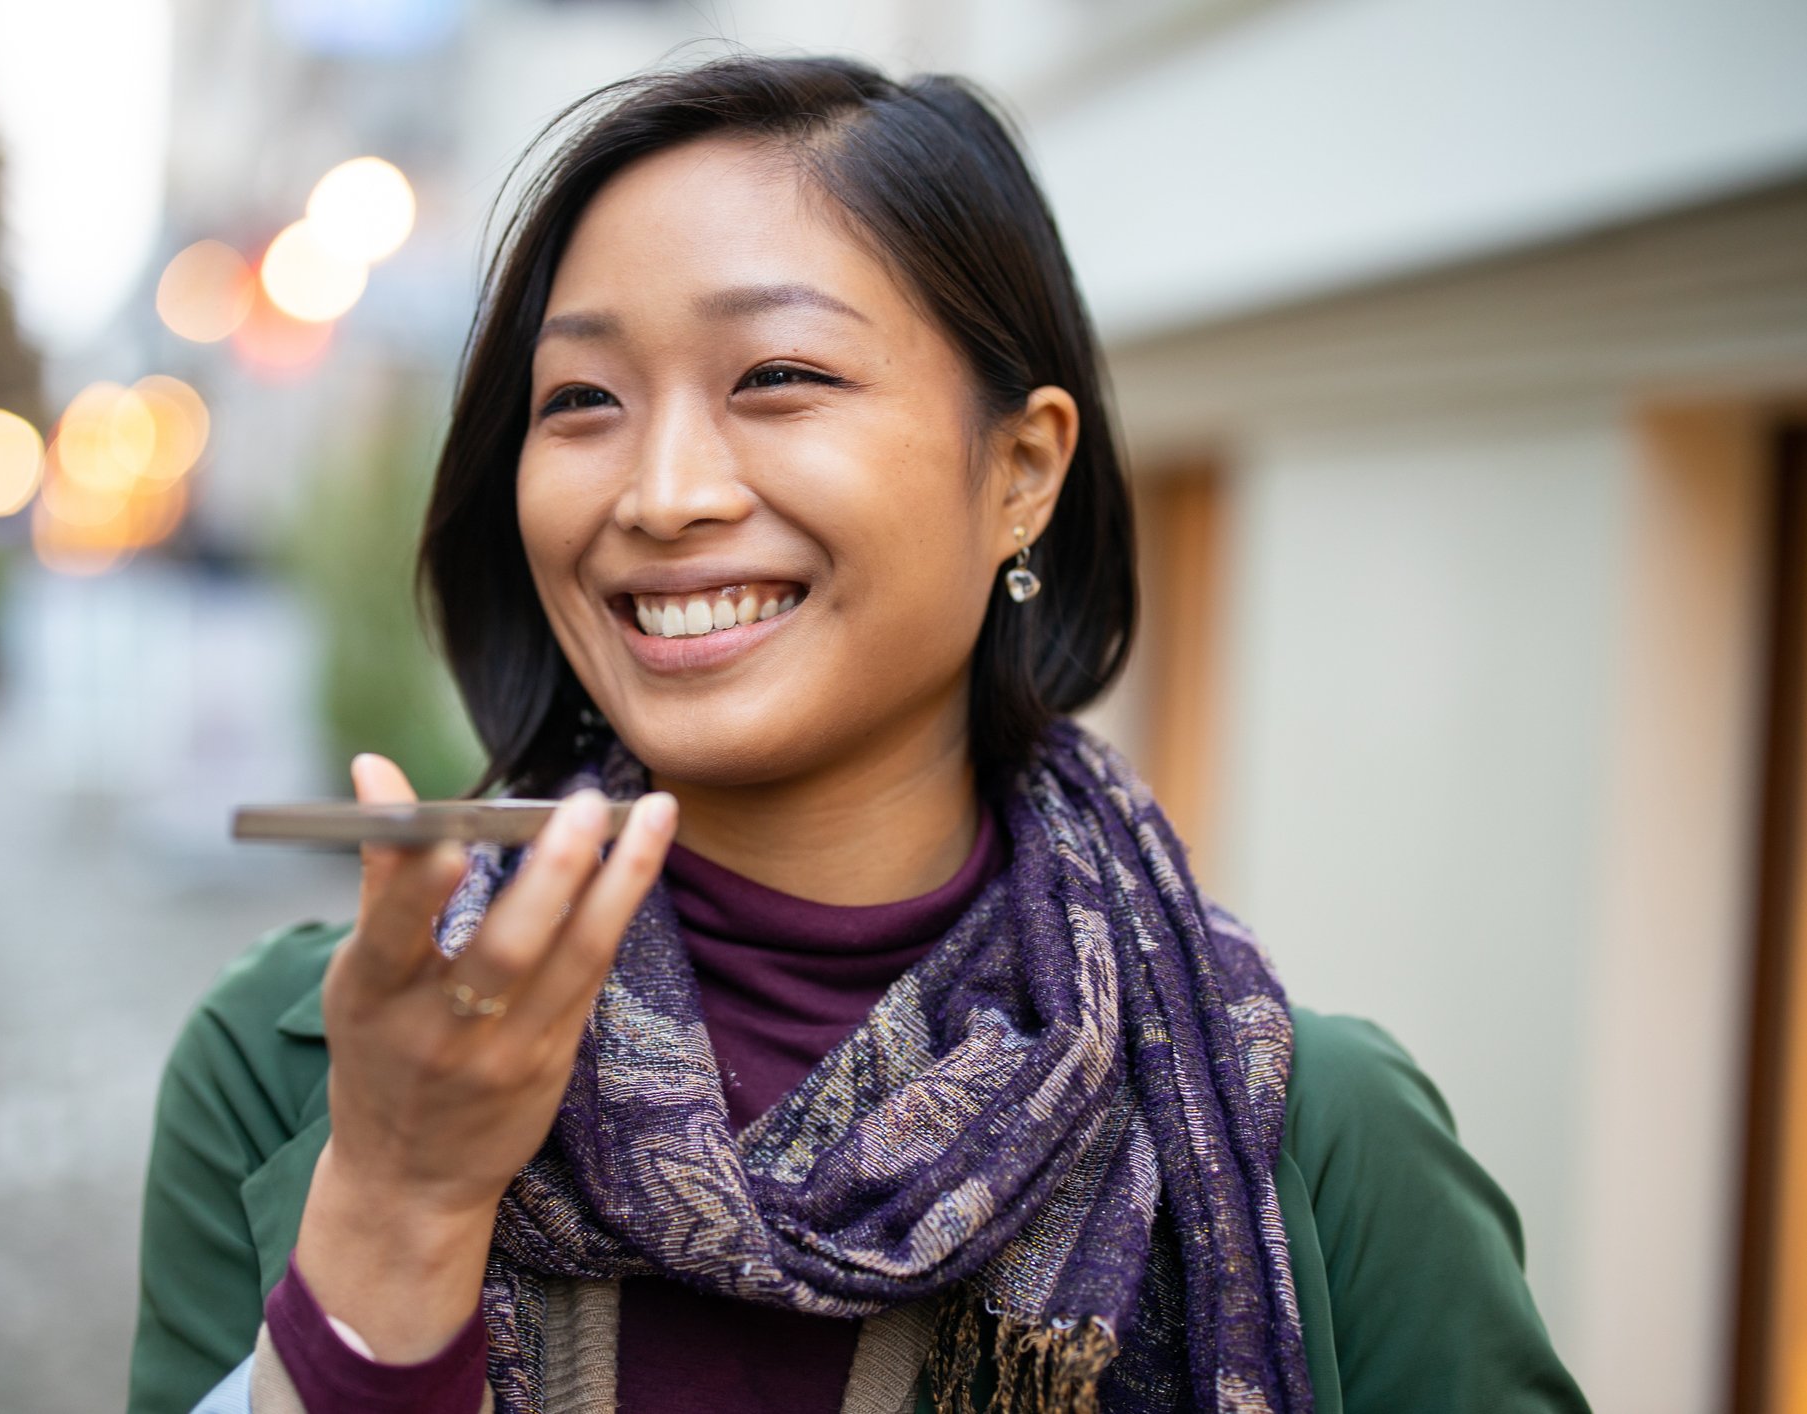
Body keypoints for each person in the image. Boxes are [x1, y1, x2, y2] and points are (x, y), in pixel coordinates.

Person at [127, 54, 1591, 1414]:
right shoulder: (301, 1065)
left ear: (1018, 471)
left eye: (775, 377)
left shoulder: (1306, 1138)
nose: (663, 492)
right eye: (579, 400)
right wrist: (398, 1203)